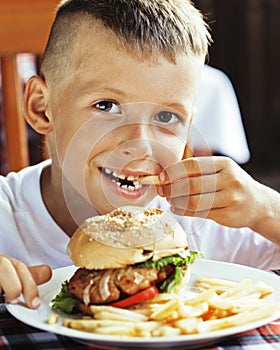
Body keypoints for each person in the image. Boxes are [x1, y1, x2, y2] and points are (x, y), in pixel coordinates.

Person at [0, 0, 280, 311]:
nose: (141, 145)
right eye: (106, 106)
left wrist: (265, 209)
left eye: (166, 117)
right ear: (42, 108)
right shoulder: (6, 216)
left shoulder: (197, 219)